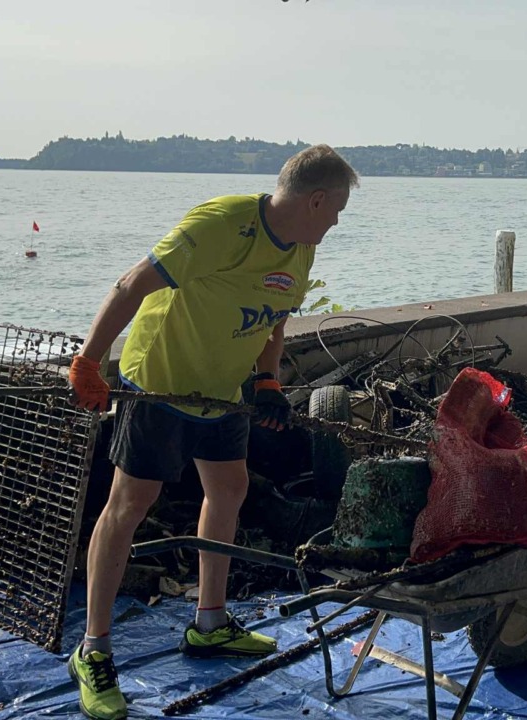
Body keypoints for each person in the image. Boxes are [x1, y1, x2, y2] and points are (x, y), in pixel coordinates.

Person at [65, 144, 358, 720]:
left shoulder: (300, 249)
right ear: (316, 198)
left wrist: (268, 380)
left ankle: (209, 623)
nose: (337, 221)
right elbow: (131, 285)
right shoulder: (221, 224)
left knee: (228, 490)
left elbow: (273, 316)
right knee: (129, 505)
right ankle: (93, 649)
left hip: (222, 393)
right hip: (162, 384)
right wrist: (88, 362)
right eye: (336, 209)